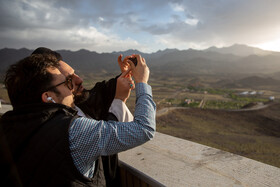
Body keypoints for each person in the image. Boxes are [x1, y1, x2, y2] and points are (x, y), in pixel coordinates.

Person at [0, 53, 156, 186]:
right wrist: (142, 82)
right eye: (67, 83)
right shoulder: (73, 131)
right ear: (48, 96)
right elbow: (144, 128)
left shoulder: (8, 127)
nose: (72, 89)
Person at [31, 47, 133, 186]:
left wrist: (124, 75)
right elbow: (143, 129)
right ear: (49, 93)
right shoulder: (59, 130)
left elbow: (102, 91)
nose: (79, 79)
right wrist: (123, 98)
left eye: (75, 74)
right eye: (68, 79)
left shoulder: (82, 102)